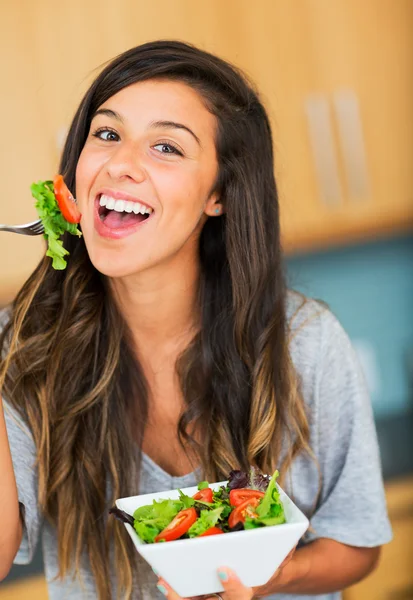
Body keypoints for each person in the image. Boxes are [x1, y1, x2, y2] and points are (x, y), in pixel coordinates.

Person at [0, 40, 391, 600]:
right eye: (107, 134)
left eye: (166, 147)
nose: (120, 164)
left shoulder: (304, 342)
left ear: (219, 194)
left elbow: (357, 543)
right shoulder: (26, 346)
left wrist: (273, 577)